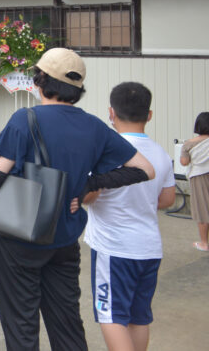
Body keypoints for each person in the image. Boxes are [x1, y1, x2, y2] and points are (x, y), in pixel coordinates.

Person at [0, 48, 154, 351]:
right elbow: (145, 169)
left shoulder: (25, 119)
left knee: (22, 328)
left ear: (41, 81)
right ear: (77, 89)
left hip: (19, 241)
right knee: (67, 326)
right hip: (64, 240)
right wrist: (89, 183)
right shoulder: (94, 126)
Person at [81, 82, 175, 351]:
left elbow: (90, 196)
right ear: (149, 115)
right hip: (149, 248)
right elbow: (167, 200)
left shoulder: (107, 150)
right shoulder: (160, 153)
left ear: (111, 113)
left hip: (114, 248)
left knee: (111, 316)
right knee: (138, 317)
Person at [180, 111, 209, 252]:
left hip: (199, 178)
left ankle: (204, 243)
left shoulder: (189, 144)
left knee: (202, 208)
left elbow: (184, 162)